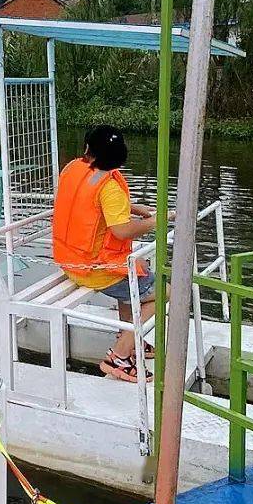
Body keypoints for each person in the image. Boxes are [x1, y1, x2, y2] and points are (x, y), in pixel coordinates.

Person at [52, 125, 170, 382]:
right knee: (163, 291)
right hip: (94, 270)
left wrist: (136, 208)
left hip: (69, 261)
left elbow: (92, 207)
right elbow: (123, 231)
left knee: (135, 269)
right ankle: (119, 356)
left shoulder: (73, 169)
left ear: (87, 150)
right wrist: (157, 220)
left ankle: (127, 335)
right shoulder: (109, 187)